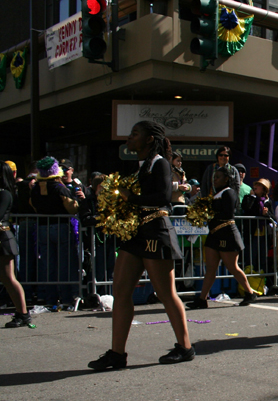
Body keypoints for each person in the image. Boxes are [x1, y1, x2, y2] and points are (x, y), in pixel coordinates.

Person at [88, 121, 194, 370]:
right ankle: (117, 353)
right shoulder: (140, 166)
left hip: (156, 230)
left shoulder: (161, 163)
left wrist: (130, 197)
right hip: (136, 232)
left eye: (135, 134)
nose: (129, 137)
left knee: (165, 293)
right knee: (121, 291)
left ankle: (185, 347)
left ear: (149, 139)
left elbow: (164, 197)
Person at [188, 165, 258, 309]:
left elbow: (227, 213)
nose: (215, 180)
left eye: (218, 177)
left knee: (232, 266)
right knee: (211, 268)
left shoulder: (229, 193)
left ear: (226, 179)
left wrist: (209, 211)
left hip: (227, 233)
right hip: (214, 234)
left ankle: (249, 292)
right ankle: (202, 299)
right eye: (214, 177)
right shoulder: (215, 194)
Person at [30, 157, 80, 305]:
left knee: (48, 264)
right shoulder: (59, 188)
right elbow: (72, 208)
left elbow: (33, 205)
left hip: (43, 228)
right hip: (61, 227)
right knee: (64, 264)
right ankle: (66, 298)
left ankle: (51, 298)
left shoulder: (35, 189)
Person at [1, 163, 30, 328]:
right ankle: (22, 313)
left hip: (3, 238)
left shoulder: (4, 194)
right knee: (5, 278)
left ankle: (23, 313)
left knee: (8, 278)